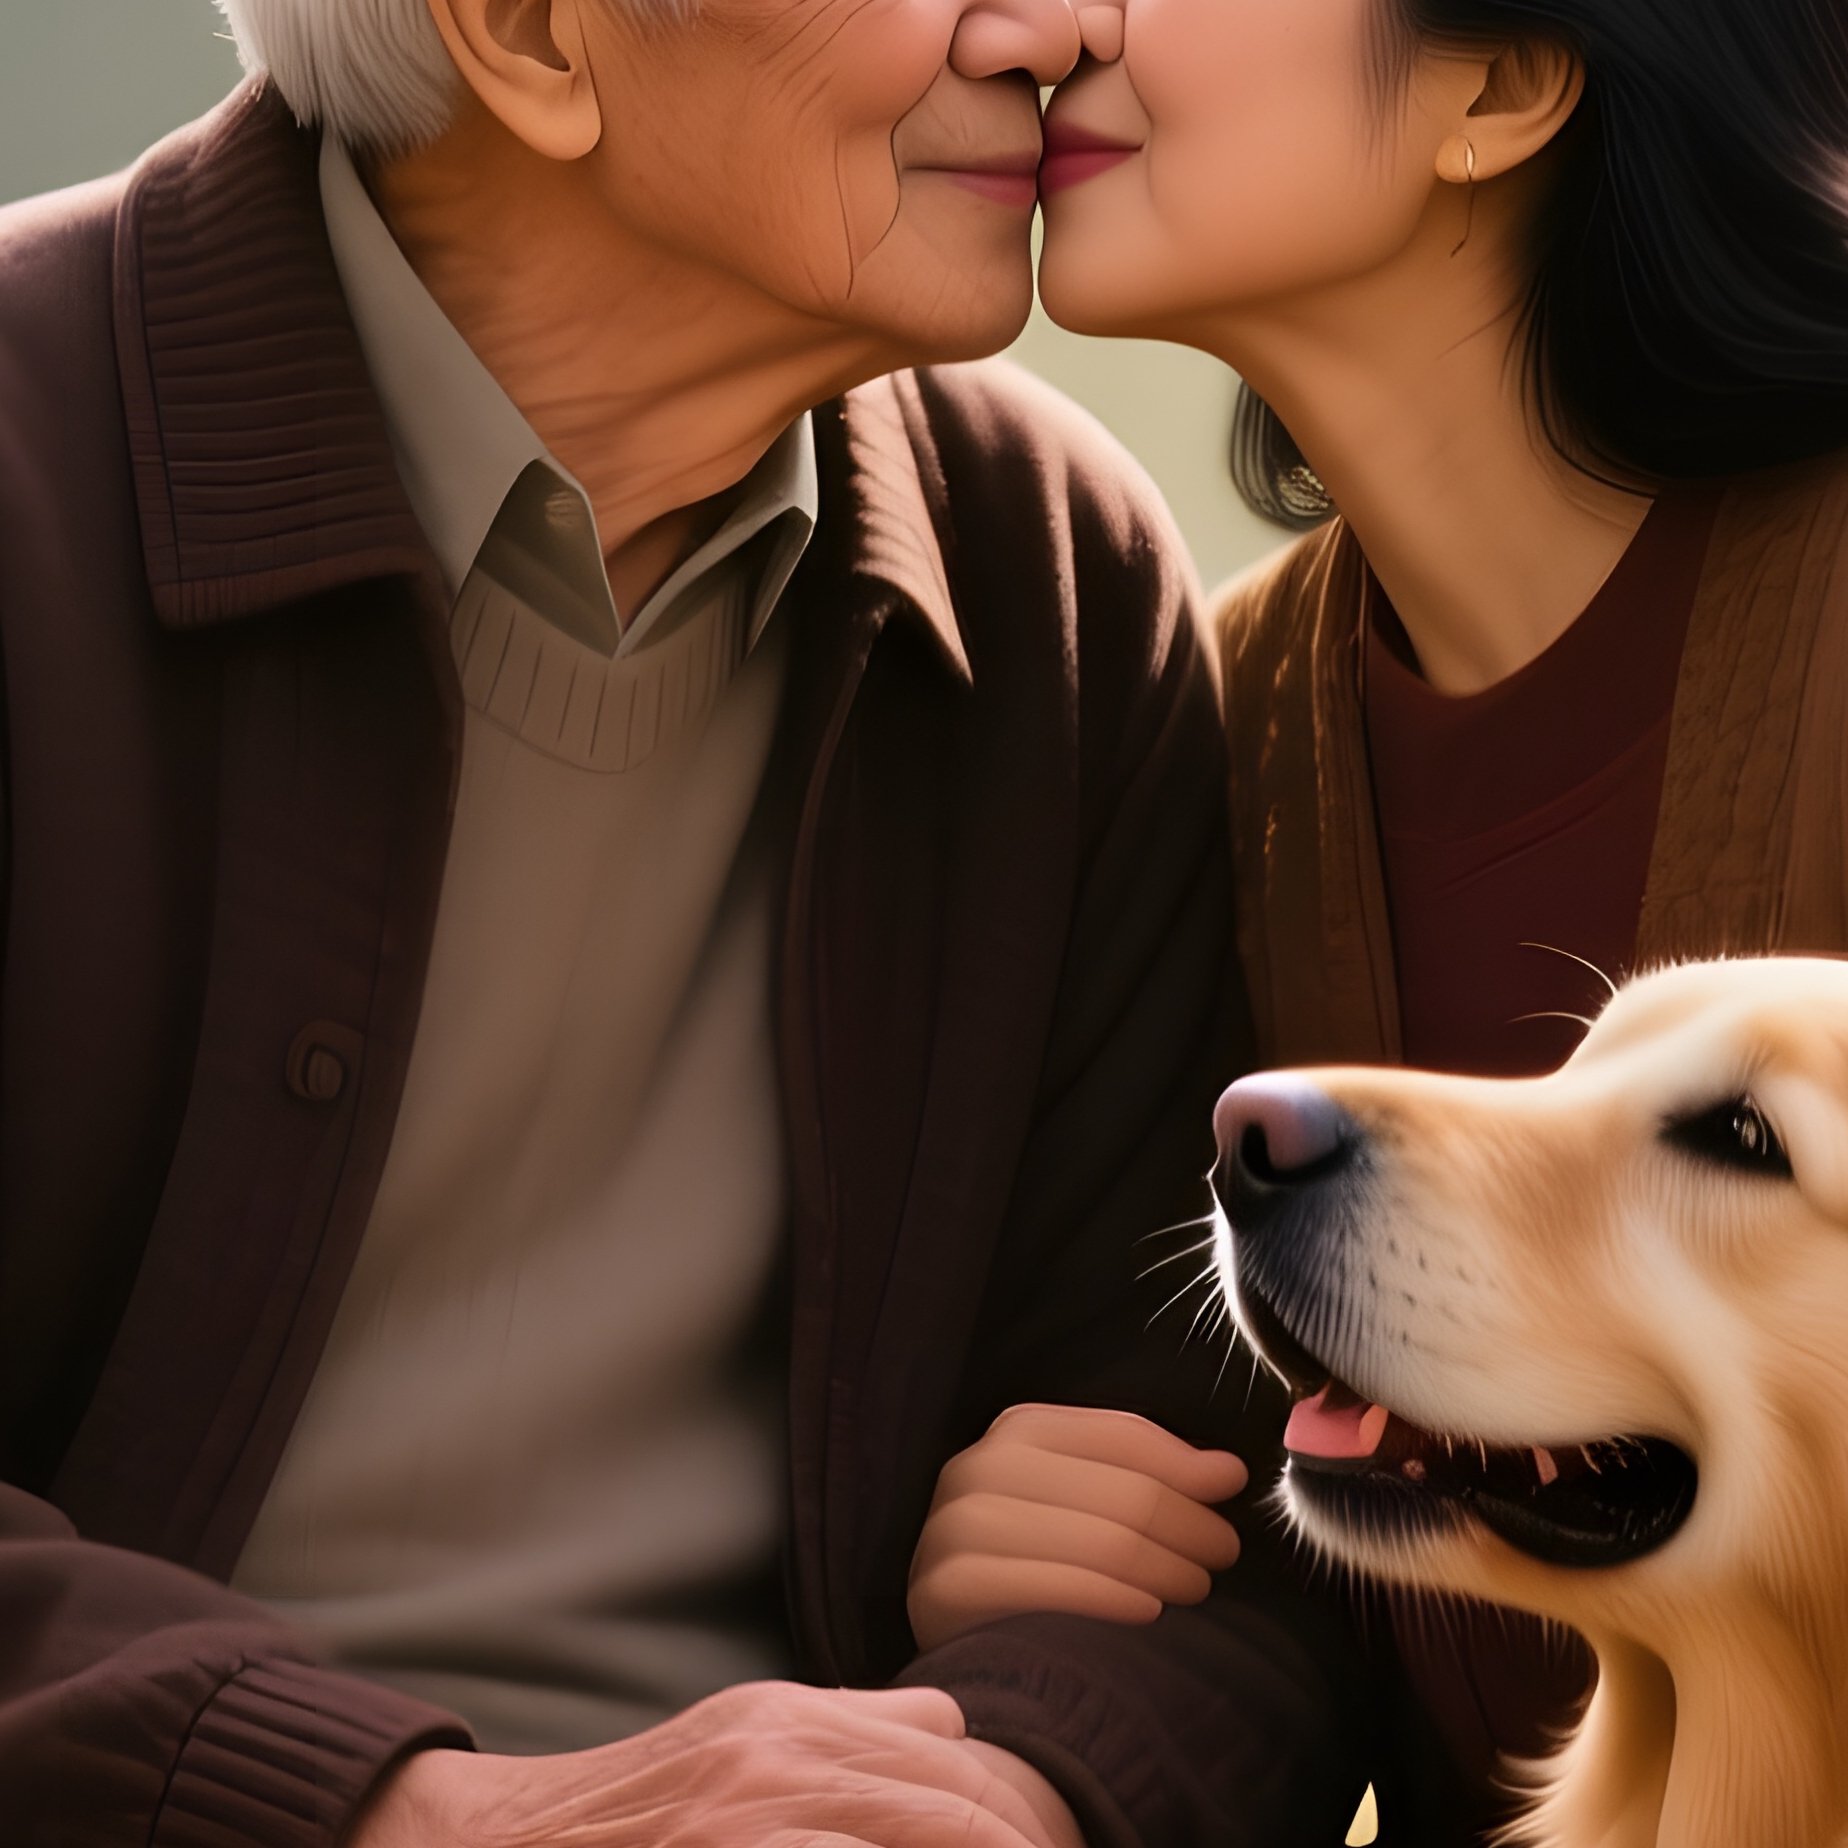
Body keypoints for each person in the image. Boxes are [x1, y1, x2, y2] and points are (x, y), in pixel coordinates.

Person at [0, 0, 1378, 1842]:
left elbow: (1253, 1515)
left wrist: (1014, 1778)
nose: (1049, 25)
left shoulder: (1055, 575)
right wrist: (430, 1815)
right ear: (524, 36)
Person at [914, 0, 1848, 1840]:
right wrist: (1053, 1555)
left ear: (1496, 84)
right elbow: (1265, 1514)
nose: (1050, 24)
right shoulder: (1218, 720)